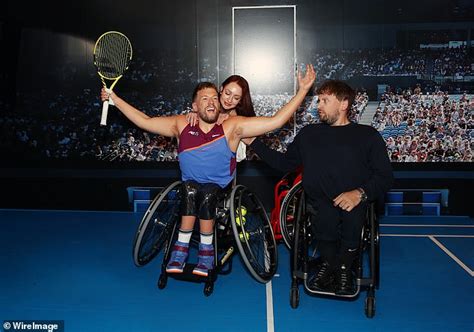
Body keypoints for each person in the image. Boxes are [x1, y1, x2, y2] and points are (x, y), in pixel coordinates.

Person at [100, 64, 316, 277]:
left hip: (218, 189)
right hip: (190, 187)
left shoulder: (233, 124)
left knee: (207, 191)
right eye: (208, 98)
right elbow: (145, 121)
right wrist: (115, 99)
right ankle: (180, 249)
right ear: (195, 105)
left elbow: (275, 121)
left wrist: (303, 91)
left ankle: (205, 253)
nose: (215, 102)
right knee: (192, 189)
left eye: (215, 98)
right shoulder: (183, 122)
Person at [248, 79, 393, 294]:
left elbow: (385, 176)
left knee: (352, 212)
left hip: (355, 202)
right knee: (323, 215)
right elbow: (283, 164)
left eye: (325, 100)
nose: (319, 105)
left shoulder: (368, 136)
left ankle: (339, 267)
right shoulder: (309, 134)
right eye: (318, 100)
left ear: (344, 104)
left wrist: (359, 193)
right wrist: (253, 143)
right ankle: (335, 265)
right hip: (319, 202)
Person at [186, 75, 255, 161]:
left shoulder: (238, 119)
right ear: (221, 89)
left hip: (226, 167)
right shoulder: (209, 106)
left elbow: (239, 156)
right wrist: (195, 113)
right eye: (227, 93)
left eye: (236, 98)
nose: (229, 100)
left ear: (240, 100)